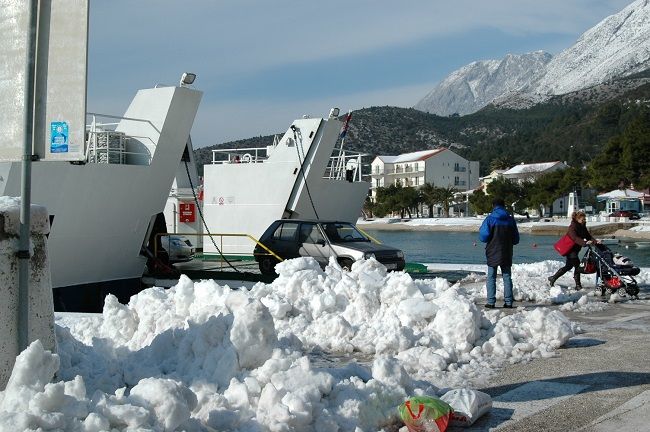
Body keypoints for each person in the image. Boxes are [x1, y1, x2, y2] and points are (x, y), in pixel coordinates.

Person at [479, 198, 520, 309]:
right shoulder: (510, 220)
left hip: (492, 251)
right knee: (507, 276)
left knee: (491, 277)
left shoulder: (490, 219)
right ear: (504, 206)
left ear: (493, 206)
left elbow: (483, 237)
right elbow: (516, 239)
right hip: (507, 251)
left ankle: (491, 302)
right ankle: (508, 302)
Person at [548, 210, 597, 290]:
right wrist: (584, 243)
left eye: (584, 219)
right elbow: (574, 238)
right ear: (577, 219)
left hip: (575, 249)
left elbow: (588, 236)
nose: (584, 221)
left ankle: (553, 278)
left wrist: (595, 241)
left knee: (568, 266)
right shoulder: (572, 227)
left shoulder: (582, 226)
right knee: (577, 266)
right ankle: (578, 285)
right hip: (570, 249)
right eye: (582, 219)